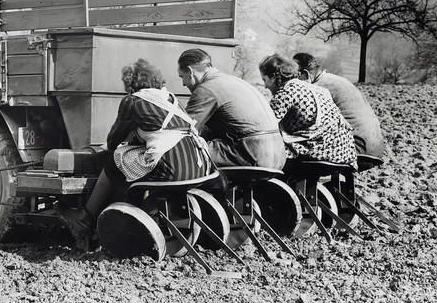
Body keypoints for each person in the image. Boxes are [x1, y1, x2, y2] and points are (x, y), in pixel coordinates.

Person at [56, 58, 214, 240]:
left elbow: (114, 139)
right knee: (135, 161)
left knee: (116, 159)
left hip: (173, 167)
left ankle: (86, 217)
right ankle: (133, 208)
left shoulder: (134, 101)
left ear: (131, 85)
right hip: (197, 164)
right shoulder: (171, 99)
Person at [177, 48, 285, 169]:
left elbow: (182, 129)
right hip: (278, 155)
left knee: (185, 153)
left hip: (251, 154)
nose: (183, 84)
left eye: (182, 77)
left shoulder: (206, 89)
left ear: (190, 71)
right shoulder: (234, 81)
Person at [258, 54, 357, 170]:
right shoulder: (318, 89)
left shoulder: (286, 92)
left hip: (321, 152)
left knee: (267, 151)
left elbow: (265, 125)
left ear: (274, 77)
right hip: (344, 152)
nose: (264, 86)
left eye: (264, 80)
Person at [293, 52, 385, 158]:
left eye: (296, 76)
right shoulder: (336, 80)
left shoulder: (318, 88)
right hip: (376, 148)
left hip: (357, 148)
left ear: (305, 74)